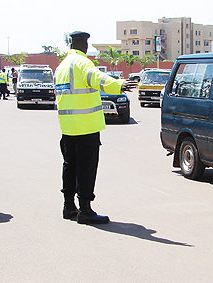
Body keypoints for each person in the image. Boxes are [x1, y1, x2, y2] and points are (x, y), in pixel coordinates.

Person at [54, 31, 137, 224]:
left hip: (67, 127)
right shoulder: (82, 63)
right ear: (85, 45)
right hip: (86, 127)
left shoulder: (62, 67)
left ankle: (68, 206)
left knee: (70, 166)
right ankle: (85, 210)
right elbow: (97, 79)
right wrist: (119, 85)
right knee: (86, 168)